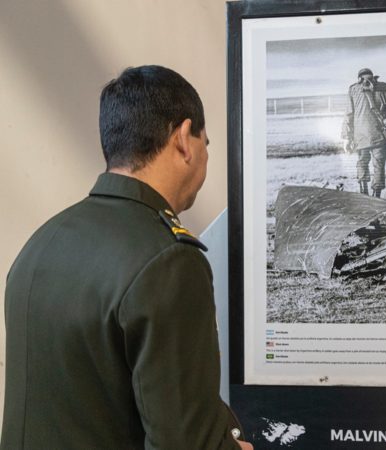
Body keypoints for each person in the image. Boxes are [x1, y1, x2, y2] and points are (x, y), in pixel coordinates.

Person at [2, 66, 253, 450]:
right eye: (207, 143)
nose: (205, 157)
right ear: (185, 139)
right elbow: (184, 442)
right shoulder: (169, 260)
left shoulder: (43, 242)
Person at [341, 68, 386, 198]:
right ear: (374, 77)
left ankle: (363, 194)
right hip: (382, 135)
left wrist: (346, 138)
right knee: (379, 165)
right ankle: (377, 196)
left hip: (360, 136)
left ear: (359, 78)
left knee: (362, 162)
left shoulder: (353, 89)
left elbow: (348, 115)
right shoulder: (385, 88)